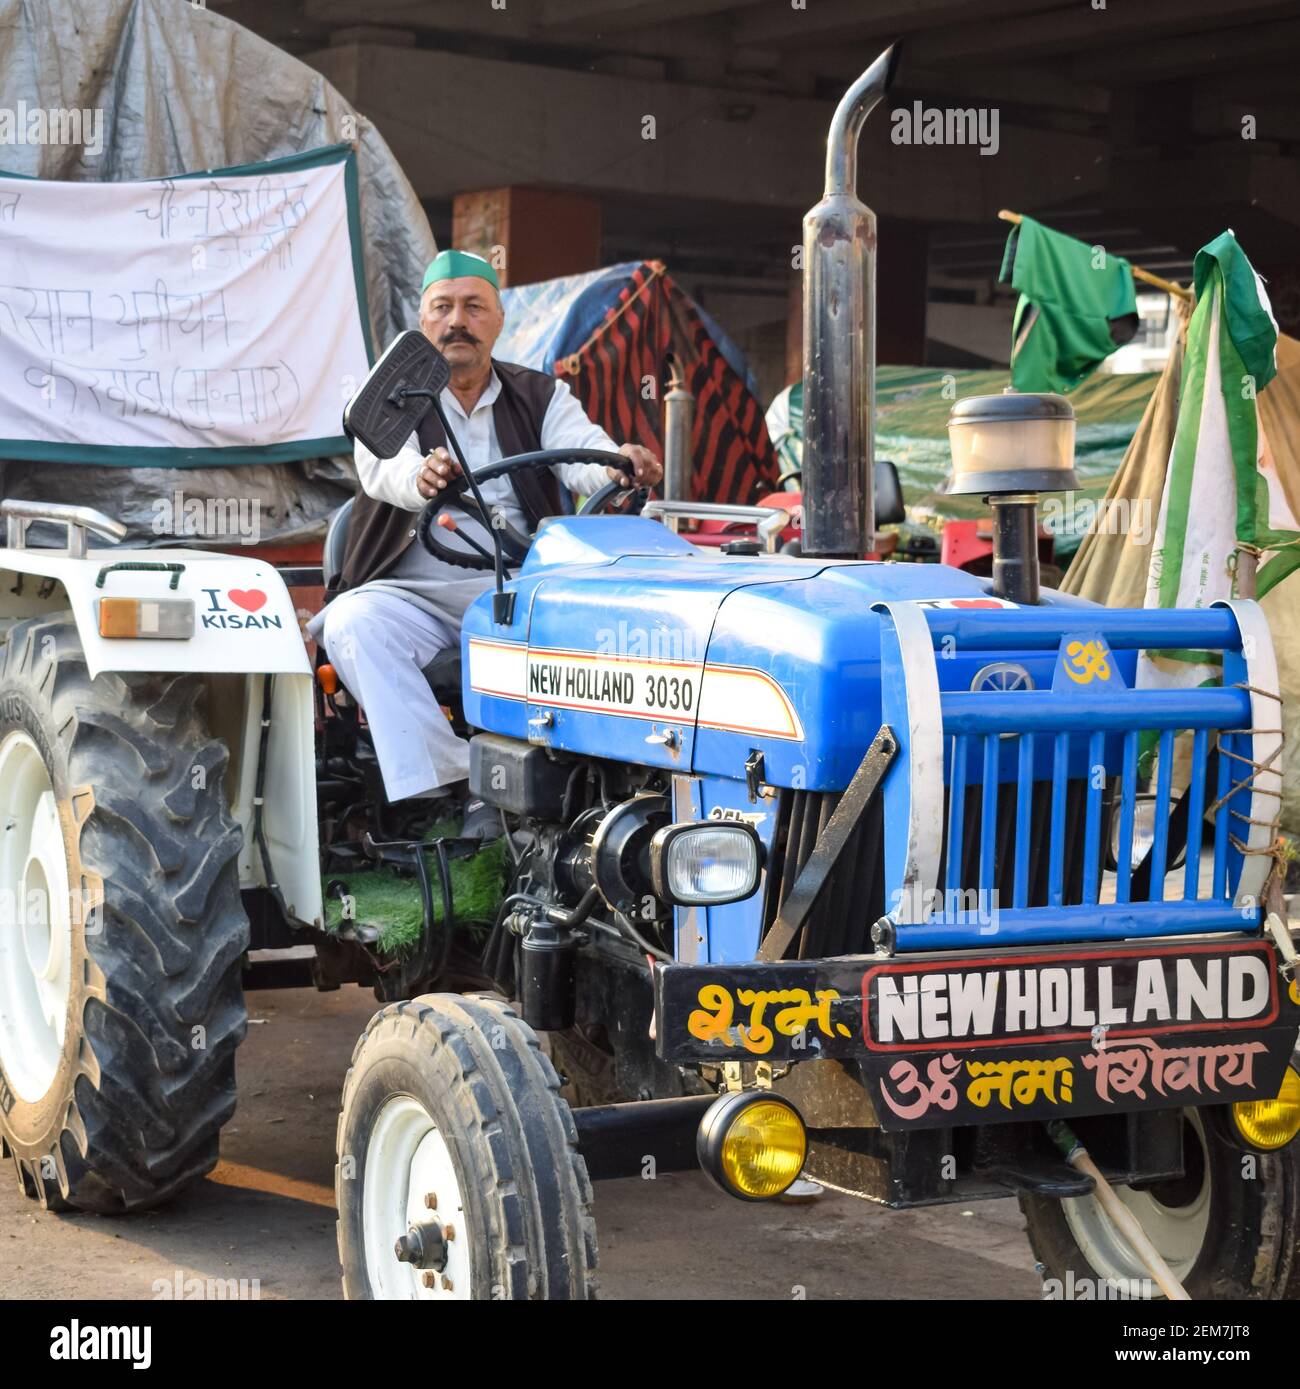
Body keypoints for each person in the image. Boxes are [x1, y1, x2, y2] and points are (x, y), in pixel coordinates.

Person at [311, 249, 662, 835]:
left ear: (499, 321)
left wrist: (618, 465)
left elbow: (585, 458)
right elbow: (384, 472)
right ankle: (457, 783)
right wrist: (419, 479)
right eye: (442, 308)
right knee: (352, 622)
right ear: (423, 324)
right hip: (413, 596)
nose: (457, 321)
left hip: (520, 591)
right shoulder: (385, 401)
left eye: (474, 307)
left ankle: (598, 802)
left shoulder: (542, 395)